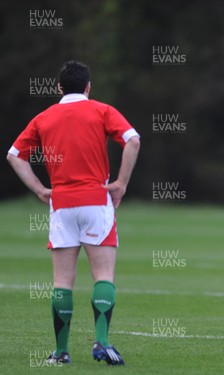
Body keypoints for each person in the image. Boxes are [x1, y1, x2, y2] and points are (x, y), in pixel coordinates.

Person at [7, 60, 140, 365]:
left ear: (58, 88)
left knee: (62, 282)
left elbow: (14, 155)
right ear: (89, 87)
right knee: (103, 275)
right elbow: (133, 140)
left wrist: (40, 190)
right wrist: (120, 183)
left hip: (62, 205)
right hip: (96, 201)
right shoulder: (101, 110)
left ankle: (61, 352)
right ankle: (102, 342)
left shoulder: (44, 117)